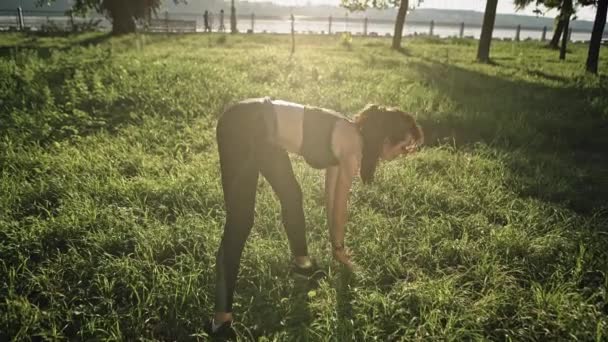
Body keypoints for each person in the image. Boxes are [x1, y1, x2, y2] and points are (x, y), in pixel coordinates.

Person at [205, 97, 423, 338]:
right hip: (241, 125)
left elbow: (330, 197)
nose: (404, 153)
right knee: (241, 221)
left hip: (264, 133)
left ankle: (302, 264)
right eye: (404, 146)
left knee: (291, 195)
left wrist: (335, 245)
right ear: (386, 140)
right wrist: (339, 248)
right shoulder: (351, 147)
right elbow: (340, 205)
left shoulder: (349, 136)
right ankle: (220, 321)